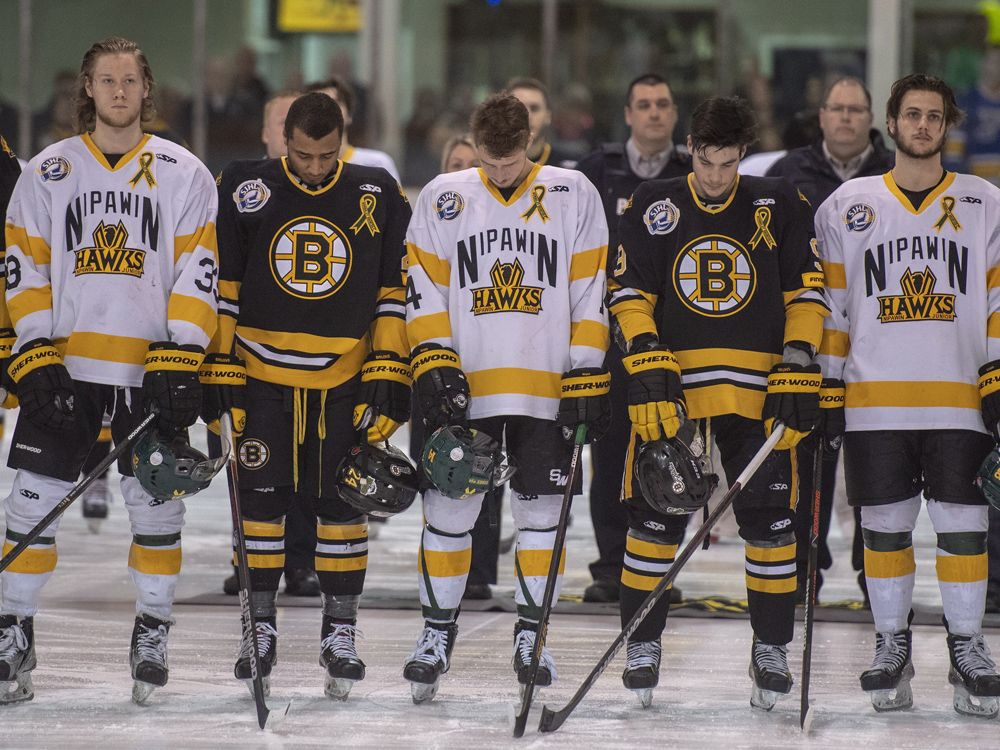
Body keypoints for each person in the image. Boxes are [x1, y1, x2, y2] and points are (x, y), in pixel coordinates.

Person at [0, 36, 219, 705]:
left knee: (156, 506)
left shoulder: (185, 172)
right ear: (88, 89)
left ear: (147, 88)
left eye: (129, 80)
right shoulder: (49, 171)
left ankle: (153, 628)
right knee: (31, 500)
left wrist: (183, 354)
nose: (119, 91)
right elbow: (24, 265)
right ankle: (13, 629)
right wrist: (34, 352)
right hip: (67, 370)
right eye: (106, 80)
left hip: (148, 372)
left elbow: (199, 270)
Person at [608, 96, 828, 710]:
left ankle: (771, 648)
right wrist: (646, 352)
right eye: (705, 162)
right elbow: (627, 292)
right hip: (674, 395)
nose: (715, 176)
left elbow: (807, 293)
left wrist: (798, 360)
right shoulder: (654, 203)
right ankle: (642, 643)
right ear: (690, 150)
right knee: (653, 521)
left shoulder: (778, 202)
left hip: (759, 397)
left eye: (728, 164)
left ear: (743, 155)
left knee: (772, 524)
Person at [403, 93, 609, 702]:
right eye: (488, 162)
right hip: (466, 393)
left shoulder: (574, 193)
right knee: (448, 516)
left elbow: (591, 289)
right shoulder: (444, 196)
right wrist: (435, 359)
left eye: (510, 161)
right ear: (475, 145)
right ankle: (435, 634)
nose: (498, 173)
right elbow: (422, 286)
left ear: (530, 143)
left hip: (546, 391)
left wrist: (586, 372)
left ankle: (532, 636)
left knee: (541, 519)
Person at [214, 91, 412, 700]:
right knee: (261, 506)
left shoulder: (376, 190)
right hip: (261, 375)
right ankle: (259, 627)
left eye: (328, 156)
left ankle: (341, 631)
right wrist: (221, 370)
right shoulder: (244, 186)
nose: (317, 168)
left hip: (343, 379)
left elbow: (392, 291)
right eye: (304, 156)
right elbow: (223, 287)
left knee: (342, 507)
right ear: (285, 142)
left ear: (342, 143)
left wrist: (388, 369)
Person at [816, 73, 1000, 717]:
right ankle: (891, 643)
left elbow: (999, 298)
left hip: (960, 400)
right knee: (885, 529)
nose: (923, 125)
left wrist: (997, 373)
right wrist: (827, 383)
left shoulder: (984, 202)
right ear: (890, 124)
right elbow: (832, 305)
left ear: (947, 125)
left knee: (964, 527)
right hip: (875, 403)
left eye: (934, 116)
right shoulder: (848, 204)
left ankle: (968, 646)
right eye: (912, 115)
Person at [767, 76, 896, 605]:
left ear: (870, 118)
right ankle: (803, 575)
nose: (845, 118)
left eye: (855, 110)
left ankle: (878, 579)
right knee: (804, 468)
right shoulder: (786, 172)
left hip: (875, 345)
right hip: (805, 344)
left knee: (876, 473)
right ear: (820, 116)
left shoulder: (895, 171)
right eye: (837, 109)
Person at [575, 72, 692, 604]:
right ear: (627, 113)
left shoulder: (690, 172)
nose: (654, 112)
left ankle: (657, 567)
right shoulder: (594, 172)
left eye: (662, 103)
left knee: (668, 451)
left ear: (674, 112)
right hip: (606, 336)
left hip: (668, 338)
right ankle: (609, 567)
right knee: (608, 456)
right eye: (643, 104)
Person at [219, 87, 321, 599]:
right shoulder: (240, 187)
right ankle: (247, 556)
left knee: (309, 471)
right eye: (282, 125)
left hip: (315, 357)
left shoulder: (341, 191)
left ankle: (302, 560)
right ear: (269, 133)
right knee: (252, 466)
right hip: (252, 355)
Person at [306, 77, 401, 182]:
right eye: (318, 105)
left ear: (349, 115)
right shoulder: (298, 170)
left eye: (335, 103)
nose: (327, 111)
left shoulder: (378, 165)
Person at [506, 77, 578, 169]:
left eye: (534, 108)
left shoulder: (572, 167)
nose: (527, 116)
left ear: (548, 116)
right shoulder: (490, 167)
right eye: (518, 108)